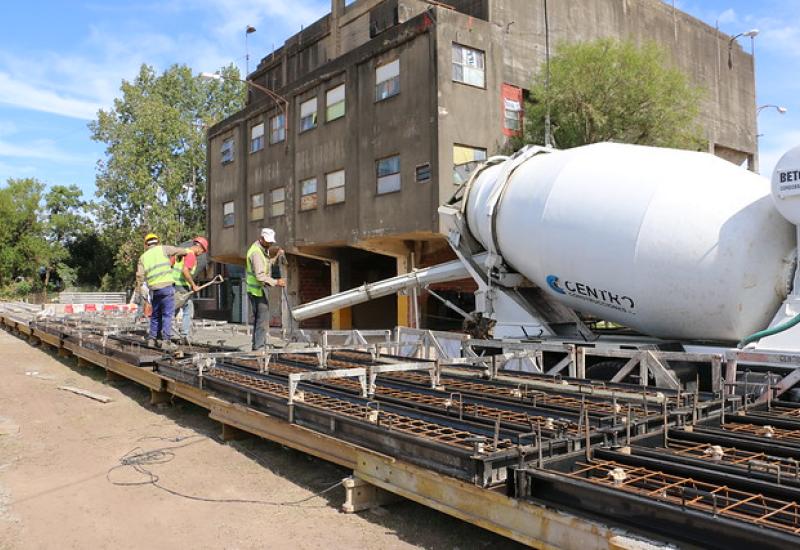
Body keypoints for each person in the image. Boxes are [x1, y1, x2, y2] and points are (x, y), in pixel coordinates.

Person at [135, 233, 186, 350]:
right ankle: (166, 341)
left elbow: (139, 276)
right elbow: (179, 251)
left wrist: (139, 291)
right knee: (167, 315)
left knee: (155, 315)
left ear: (146, 244)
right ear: (157, 242)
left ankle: (152, 339)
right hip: (167, 287)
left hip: (154, 290)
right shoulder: (163, 249)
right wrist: (187, 252)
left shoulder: (143, 257)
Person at [245, 228, 286, 350]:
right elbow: (260, 276)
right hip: (257, 290)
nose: (270, 244)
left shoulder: (262, 250)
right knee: (262, 319)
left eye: (271, 242)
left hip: (257, 290)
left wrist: (277, 255)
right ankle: (259, 346)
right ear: (262, 239)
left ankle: (257, 345)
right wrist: (276, 282)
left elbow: (266, 265)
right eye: (268, 242)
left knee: (259, 319)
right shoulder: (257, 253)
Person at [172, 236, 209, 345]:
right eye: (202, 251)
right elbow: (185, 271)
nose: (201, 253)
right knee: (188, 309)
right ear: (199, 247)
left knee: (174, 309)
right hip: (182, 286)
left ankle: (163, 332)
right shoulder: (191, 255)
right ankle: (184, 334)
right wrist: (193, 285)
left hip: (174, 284)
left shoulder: (183, 252)